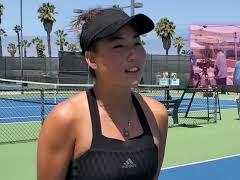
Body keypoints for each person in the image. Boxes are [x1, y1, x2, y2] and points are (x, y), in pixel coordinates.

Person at [37, 8, 168, 180]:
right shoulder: (64, 119)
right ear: (91, 59)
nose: (134, 54)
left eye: (137, 43)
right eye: (118, 45)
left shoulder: (157, 114)